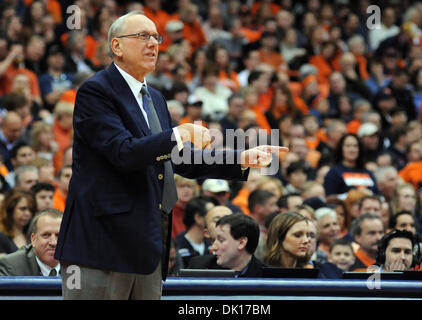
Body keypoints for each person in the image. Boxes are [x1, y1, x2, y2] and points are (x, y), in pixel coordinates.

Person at [55, 9, 287, 300]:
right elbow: (123, 153)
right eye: (143, 36)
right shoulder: (95, 91)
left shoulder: (155, 98)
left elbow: (179, 157)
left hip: (147, 246)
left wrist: (240, 158)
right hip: (102, 247)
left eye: (156, 37)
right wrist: (178, 134)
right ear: (117, 46)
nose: (153, 43)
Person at [0, 208, 62, 276]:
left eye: (59, 235)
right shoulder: (11, 267)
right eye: (46, 235)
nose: (53, 242)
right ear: (33, 239)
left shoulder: (74, 263)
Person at [211, 213, 266, 277]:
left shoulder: (268, 276)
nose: (213, 247)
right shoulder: (200, 266)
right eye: (214, 240)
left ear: (241, 243)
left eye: (221, 240)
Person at [187, 205, 232, 269]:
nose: (223, 224)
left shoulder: (245, 259)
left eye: (228, 220)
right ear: (206, 233)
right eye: (217, 220)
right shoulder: (198, 265)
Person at [175, 197, 212, 268]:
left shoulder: (212, 245)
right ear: (198, 218)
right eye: (210, 214)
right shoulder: (178, 247)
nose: (214, 218)